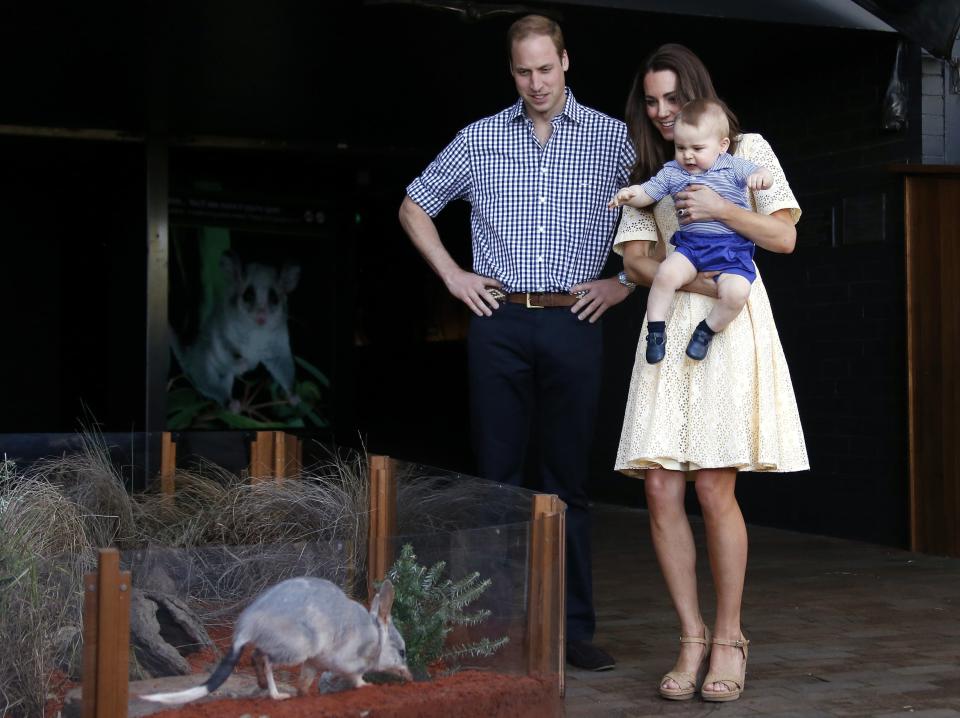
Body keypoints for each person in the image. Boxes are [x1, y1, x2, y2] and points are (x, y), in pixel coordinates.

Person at [398, 14, 635, 671]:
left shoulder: (614, 141)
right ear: (513, 71)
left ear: (567, 62)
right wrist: (452, 275)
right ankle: (493, 631)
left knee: (568, 483)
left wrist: (621, 282)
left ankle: (572, 630)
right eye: (524, 71)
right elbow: (414, 203)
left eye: (546, 68)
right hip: (498, 320)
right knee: (495, 482)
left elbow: (662, 217)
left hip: (575, 320)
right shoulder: (479, 139)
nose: (536, 82)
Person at [614, 44, 808, 701]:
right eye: (651, 100)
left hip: (726, 328)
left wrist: (723, 211)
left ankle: (729, 638)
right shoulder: (652, 167)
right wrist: (688, 274)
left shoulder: (746, 149)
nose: (662, 111)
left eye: (672, 97)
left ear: (697, 94)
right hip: (671, 324)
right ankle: (691, 637)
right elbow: (639, 260)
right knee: (661, 487)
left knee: (713, 489)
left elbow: (782, 237)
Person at [608, 98, 774, 363]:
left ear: (722, 146)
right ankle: (656, 331)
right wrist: (630, 194)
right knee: (665, 273)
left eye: (697, 148)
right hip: (692, 247)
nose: (687, 155)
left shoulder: (732, 166)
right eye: (680, 147)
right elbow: (648, 192)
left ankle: (707, 330)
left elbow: (762, 172)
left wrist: (761, 177)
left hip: (731, 251)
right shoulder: (673, 171)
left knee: (738, 293)